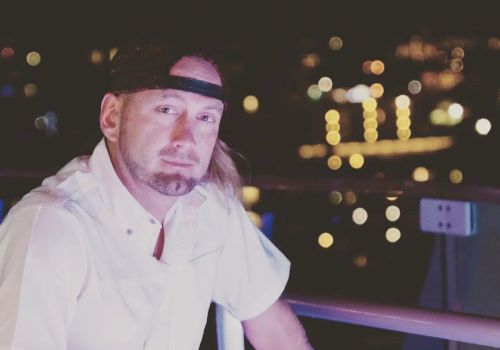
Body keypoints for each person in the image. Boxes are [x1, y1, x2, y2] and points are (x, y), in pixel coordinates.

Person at [0, 43, 313, 349]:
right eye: (167, 109)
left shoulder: (209, 208)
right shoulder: (51, 226)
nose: (186, 139)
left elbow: (275, 331)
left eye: (205, 117)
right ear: (112, 116)